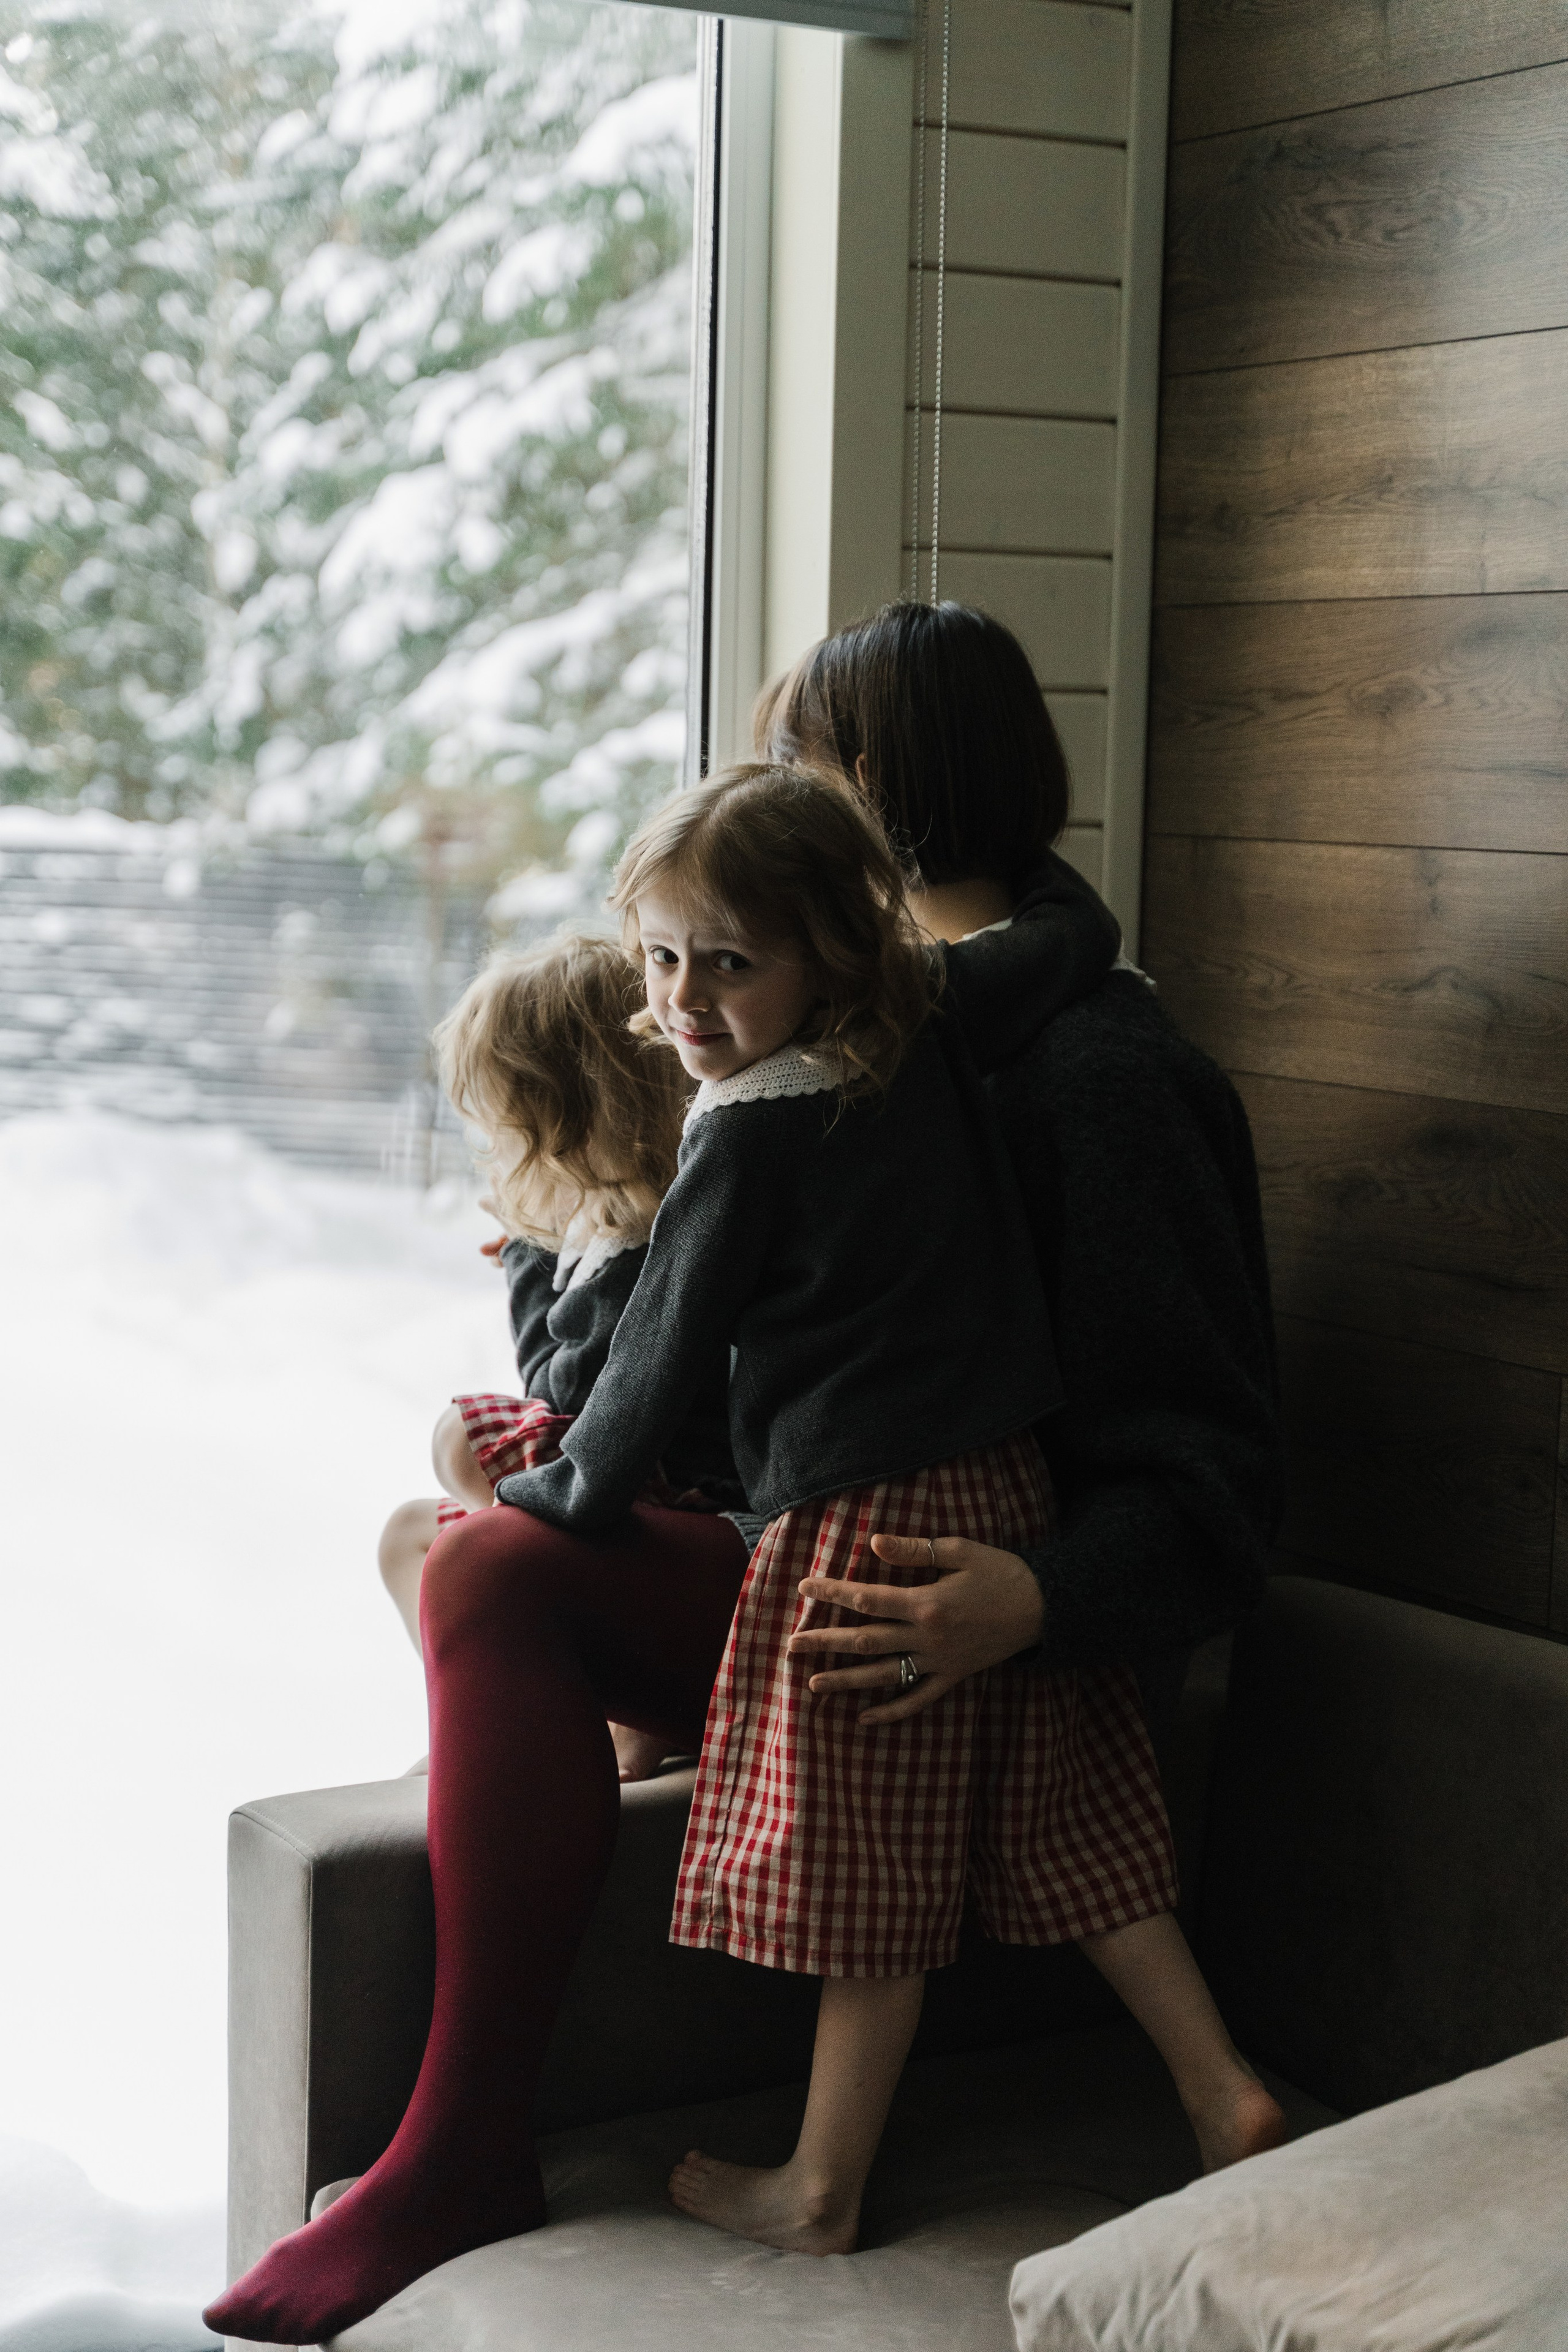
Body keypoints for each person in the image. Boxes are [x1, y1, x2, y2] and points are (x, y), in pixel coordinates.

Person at [486, 765, 1283, 2253]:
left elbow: (659, 1351)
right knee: (1068, 1826)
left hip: (864, 1531)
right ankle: (1220, 2087)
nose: (684, 1001)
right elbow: (1069, 932)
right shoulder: (926, 1016)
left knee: (874, 1869)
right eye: (660, 957)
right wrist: (1040, 881)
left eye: (729, 961)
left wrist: (557, 1491)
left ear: (828, 951)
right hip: (1011, 1501)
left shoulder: (745, 1126)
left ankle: (820, 2187)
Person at [760, 599, 1283, 1750]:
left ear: (858, 789)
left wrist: (1036, 1598)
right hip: (819, 1567)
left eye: (784, 782)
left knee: (496, 1580)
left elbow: (1213, 1481)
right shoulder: (845, 1041)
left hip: (997, 1664)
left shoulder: (1100, 1080)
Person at [374, 930, 741, 1782]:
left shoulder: (644, 1241)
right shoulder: (609, 1228)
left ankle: (605, 1713)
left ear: (567, 1130)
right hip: (628, 1513)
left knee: (462, 1441)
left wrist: (526, 1256)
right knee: (407, 1539)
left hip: (667, 1525)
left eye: (507, 1132)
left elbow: (559, 1394)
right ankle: (484, 1715)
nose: (496, 1154)